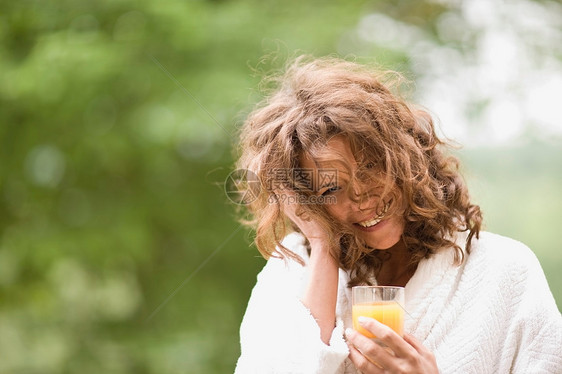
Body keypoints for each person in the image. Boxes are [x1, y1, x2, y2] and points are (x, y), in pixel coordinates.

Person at [232, 56, 562, 374]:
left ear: (406, 158)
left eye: (371, 167)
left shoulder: (504, 270)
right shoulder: (290, 270)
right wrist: (322, 246)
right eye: (331, 189)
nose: (360, 198)